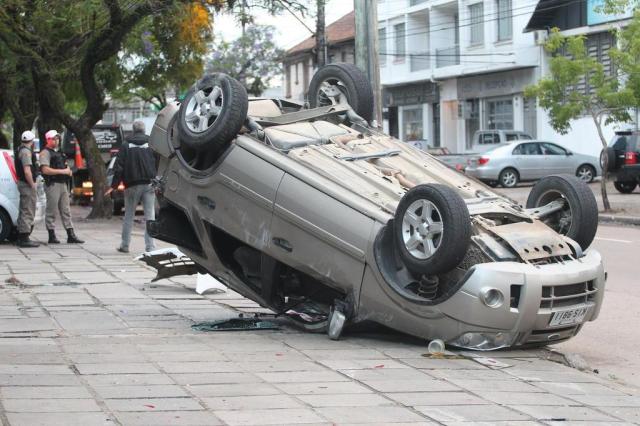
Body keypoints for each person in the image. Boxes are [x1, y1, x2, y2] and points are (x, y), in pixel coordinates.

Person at [106, 120, 156, 253]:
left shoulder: (126, 145)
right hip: (149, 183)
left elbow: (119, 166)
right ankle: (150, 247)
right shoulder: (151, 143)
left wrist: (114, 185)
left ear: (133, 130)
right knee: (150, 216)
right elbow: (159, 161)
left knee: (129, 215)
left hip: (132, 185)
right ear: (144, 130)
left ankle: (125, 245)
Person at [39, 130, 84, 244]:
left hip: (63, 184)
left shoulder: (59, 152)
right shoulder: (45, 152)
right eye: (53, 138)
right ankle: (51, 235)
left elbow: (66, 165)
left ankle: (71, 234)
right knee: (51, 210)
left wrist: (68, 171)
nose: (56, 140)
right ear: (48, 140)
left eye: (58, 138)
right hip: (52, 184)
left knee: (66, 210)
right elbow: (45, 170)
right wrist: (63, 171)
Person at [14, 131, 40, 248]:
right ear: (32, 140)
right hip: (26, 184)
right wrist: (32, 184)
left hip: (23, 183)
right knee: (28, 209)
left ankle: (21, 236)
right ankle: (24, 238)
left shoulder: (21, 149)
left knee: (24, 208)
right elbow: (27, 171)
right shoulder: (26, 152)